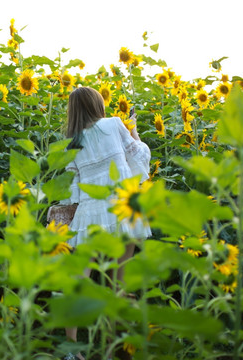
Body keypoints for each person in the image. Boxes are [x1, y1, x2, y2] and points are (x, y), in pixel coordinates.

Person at [59, 86, 151, 360]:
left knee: (78, 281)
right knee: (118, 285)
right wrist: (134, 131)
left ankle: (71, 351)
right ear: (98, 104)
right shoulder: (114, 124)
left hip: (90, 215)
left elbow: (72, 189)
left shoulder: (72, 142)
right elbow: (139, 158)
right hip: (123, 208)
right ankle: (115, 348)